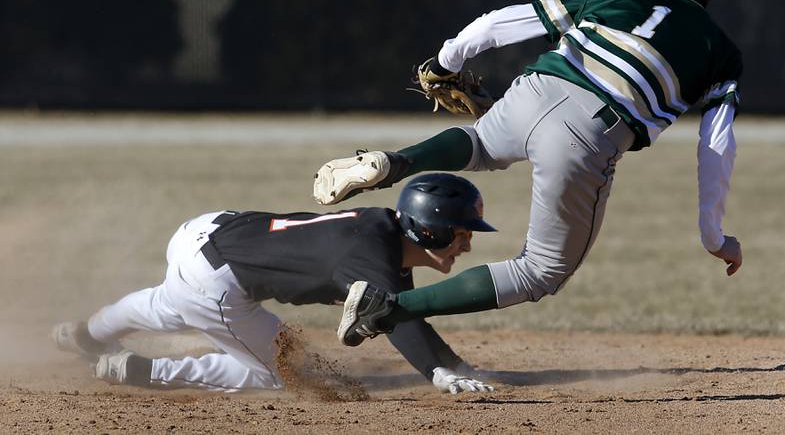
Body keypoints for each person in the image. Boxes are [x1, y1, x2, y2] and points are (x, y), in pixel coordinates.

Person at [312, 0, 744, 347]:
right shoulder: (721, 52)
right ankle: (386, 309)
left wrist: (445, 61)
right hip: (592, 129)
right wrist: (713, 235)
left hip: (539, 87)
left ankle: (395, 161)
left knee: (479, 143)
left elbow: (502, 22)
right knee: (541, 270)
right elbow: (716, 146)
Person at [51, 174, 496, 394]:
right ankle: (147, 371)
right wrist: (438, 373)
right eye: (462, 233)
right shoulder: (372, 255)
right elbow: (395, 320)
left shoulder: (381, 229)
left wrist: (454, 364)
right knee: (289, 374)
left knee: (167, 304)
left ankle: (88, 333)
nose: (467, 245)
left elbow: (402, 310)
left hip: (203, 233)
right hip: (219, 282)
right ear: (430, 231)